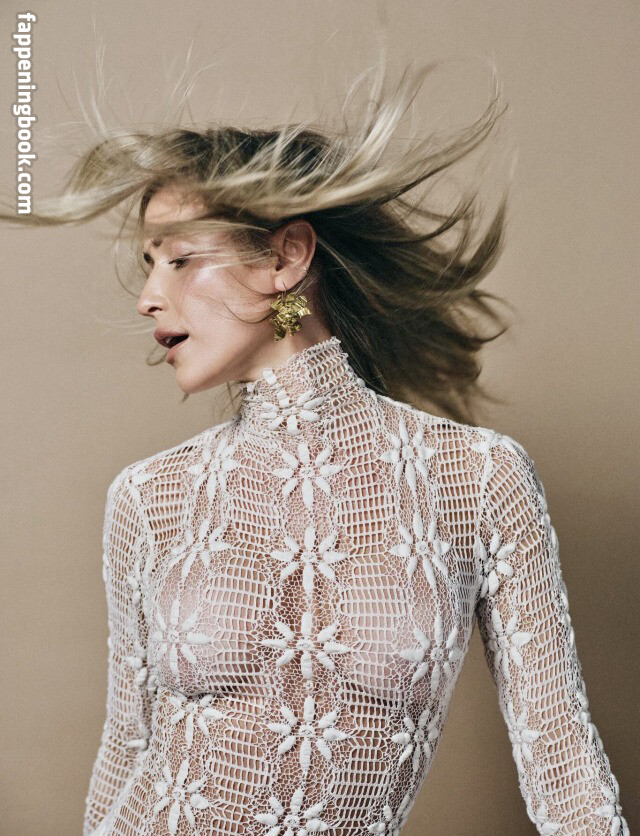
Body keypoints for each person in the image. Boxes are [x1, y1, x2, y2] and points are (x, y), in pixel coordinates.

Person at [2, 59, 627, 835]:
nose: (148, 297)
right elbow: (126, 754)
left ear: (286, 258)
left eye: (180, 259)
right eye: (148, 264)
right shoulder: (149, 497)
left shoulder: (480, 478)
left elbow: (563, 768)